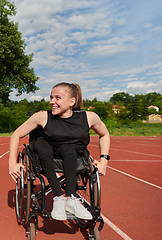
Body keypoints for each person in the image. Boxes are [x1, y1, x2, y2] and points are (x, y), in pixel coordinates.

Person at [9, 82, 110, 221]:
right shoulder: (43, 117)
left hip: (69, 153)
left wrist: (104, 160)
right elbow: (16, 135)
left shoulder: (89, 117)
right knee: (44, 149)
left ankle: (71, 198)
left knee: (70, 150)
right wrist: (12, 163)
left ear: (71, 101)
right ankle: (58, 198)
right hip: (45, 149)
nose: (52, 102)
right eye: (51, 97)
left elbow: (104, 134)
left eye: (57, 98)